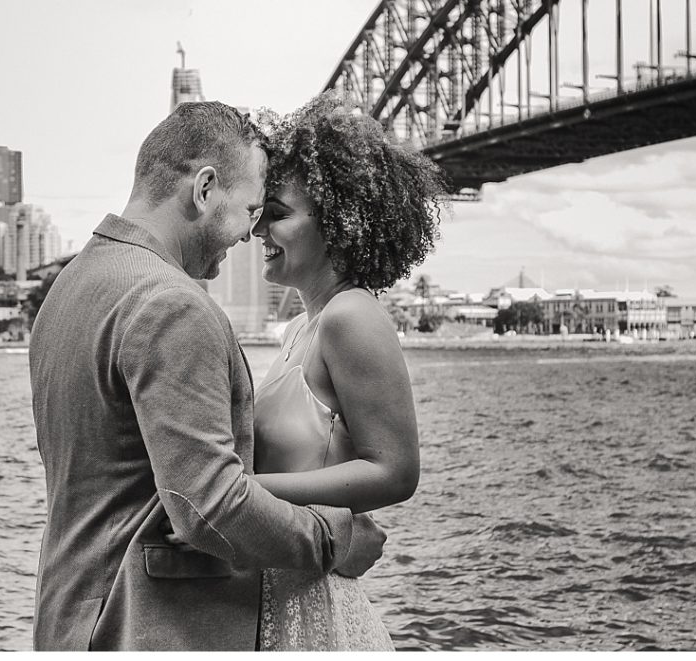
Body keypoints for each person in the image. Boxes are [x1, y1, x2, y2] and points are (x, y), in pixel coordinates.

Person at [29, 101, 386, 651]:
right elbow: (207, 505)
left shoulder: (69, 287)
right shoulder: (171, 304)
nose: (251, 232)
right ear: (204, 189)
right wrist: (333, 539)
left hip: (70, 615)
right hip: (148, 626)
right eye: (249, 209)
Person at [248, 93, 447, 650]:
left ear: (336, 221)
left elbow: (395, 471)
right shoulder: (300, 329)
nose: (257, 228)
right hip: (282, 587)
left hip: (313, 607)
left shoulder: (351, 316)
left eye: (278, 214)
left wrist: (241, 494)